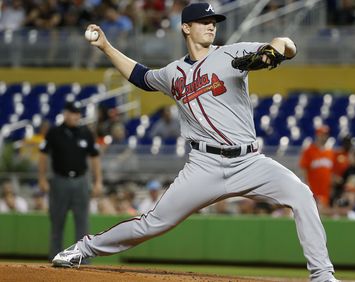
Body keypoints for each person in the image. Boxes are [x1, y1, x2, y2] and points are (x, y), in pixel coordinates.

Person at [51, 3, 338, 281]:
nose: (211, 26)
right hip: (204, 165)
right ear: (186, 27)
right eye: (204, 22)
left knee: (301, 194)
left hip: (248, 161)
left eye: (213, 23)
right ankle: (83, 248)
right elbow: (140, 76)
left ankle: (323, 276)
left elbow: (285, 43)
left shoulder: (231, 54)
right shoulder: (172, 73)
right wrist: (105, 46)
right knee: (153, 223)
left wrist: (274, 49)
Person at [39, 101, 103, 261]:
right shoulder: (54, 133)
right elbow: (42, 155)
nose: (76, 116)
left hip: (81, 181)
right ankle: (54, 259)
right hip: (59, 180)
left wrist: (98, 181)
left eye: (77, 113)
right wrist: (42, 178)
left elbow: (95, 157)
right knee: (57, 223)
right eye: (72, 113)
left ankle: (82, 260)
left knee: (82, 224)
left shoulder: (85, 133)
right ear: (66, 114)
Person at [299, 125, 335, 211]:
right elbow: (303, 169)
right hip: (312, 191)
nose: (324, 137)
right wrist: (307, 187)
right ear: (317, 135)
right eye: (322, 135)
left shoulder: (330, 152)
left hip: (326, 192)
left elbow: (331, 173)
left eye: (326, 135)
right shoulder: (309, 151)